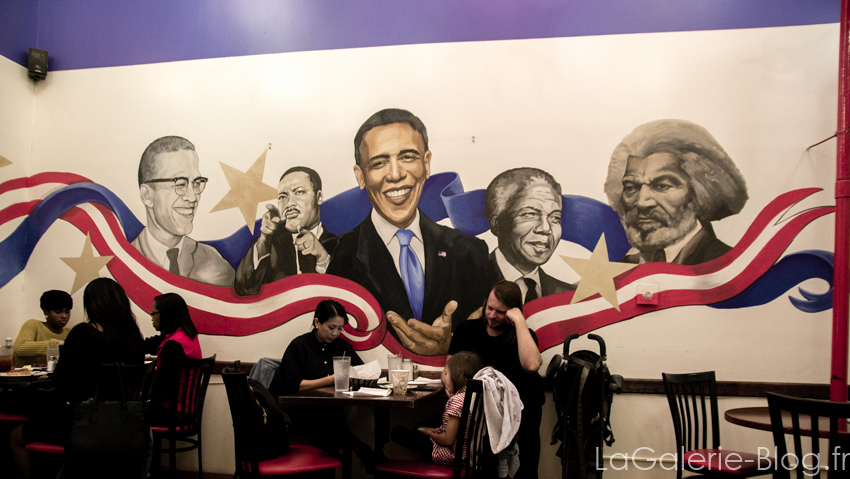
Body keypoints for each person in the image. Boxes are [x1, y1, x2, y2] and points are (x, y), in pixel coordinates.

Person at [327, 108, 491, 356]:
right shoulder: (341, 256)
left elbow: (494, 338)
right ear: (361, 176)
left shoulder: (469, 252)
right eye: (379, 163)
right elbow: (329, 340)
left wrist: (453, 344)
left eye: (407, 157)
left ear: (426, 164)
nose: (395, 174)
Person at [10, 278, 144, 478]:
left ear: (91, 304)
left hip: (83, 422)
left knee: (15, 436)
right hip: (124, 423)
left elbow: (60, 382)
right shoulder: (135, 339)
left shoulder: (82, 333)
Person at [603, 119, 748, 264]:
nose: (642, 202)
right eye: (631, 187)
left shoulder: (727, 268)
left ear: (699, 193)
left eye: (662, 186)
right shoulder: (618, 273)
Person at [448, 280, 544, 479]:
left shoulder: (523, 335)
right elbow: (448, 369)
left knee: (531, 382)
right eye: (490, 308)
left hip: (515, 418)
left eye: (500, 312)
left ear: (513, 311)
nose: (492, 315)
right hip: (473, 415)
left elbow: (532, 365)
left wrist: (519, 322)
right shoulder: (467, 330)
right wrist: (450, 387)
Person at [267, 300, 375, 473]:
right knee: (325, 414)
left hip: (322, 411)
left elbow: (361, 371)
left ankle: (343, 455)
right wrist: (331, 379)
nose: (335, 333)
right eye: (331, 327)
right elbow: (293, 385)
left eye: (340, 329)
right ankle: (356, 447)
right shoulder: (299, 346)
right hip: (290, 412)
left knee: (329, 413)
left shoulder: (341, 347)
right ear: (317, 322)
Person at [133, 136, 235, 286]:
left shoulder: (214, 265)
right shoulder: (127, 261)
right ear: (147, 195)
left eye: (196, 183)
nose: (193, 197)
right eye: (180, 184)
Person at [235, 166, 336, 295]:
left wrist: (322, 256)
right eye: (282, 197)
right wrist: (265, 238)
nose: (289, 204)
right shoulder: (269, 246)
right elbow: (244, 287)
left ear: (319, 197)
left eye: (299, 192)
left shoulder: (340, 244)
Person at [485, 168, 575, 303]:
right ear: (497, 225)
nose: (546, 228)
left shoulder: (569, 297)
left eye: (555, 218)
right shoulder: (464, 285)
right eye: (530, 214)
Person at [384, 351, 484, 465]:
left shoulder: (457, 401)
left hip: (448, 454)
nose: (444, 376)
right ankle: (417, 455)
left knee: (397, 431)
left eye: (446, 373)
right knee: (419, 429)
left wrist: (430, 434)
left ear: (457, 374)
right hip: (462, 453)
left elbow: (448, 439)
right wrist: (436, 430)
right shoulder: (471, 397)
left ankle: (420, 457)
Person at [142, 293, 202, 411]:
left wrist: (140, 395)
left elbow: (161, 389)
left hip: (171, 411)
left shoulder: (174, 345)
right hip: (183, 409)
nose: (151, 317)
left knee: (126, 413)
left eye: (154, 313)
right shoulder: (184, 336)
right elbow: (150, 344)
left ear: (165, 314)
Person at [13, 290, 72, 367]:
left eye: (67, 312)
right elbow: (20, 348)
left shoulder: (69, 332)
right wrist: (56, 344)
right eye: (58, 312)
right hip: (25, 377)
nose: (64, 316)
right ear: (45, 311)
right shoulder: (34, 325)